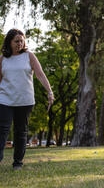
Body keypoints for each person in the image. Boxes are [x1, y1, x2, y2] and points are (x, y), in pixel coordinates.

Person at [0, 29, 54, 170]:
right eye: (16, 41)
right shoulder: (3, 59)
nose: (19, 43)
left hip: (25, 101)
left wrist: (49, 91)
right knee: (2, 130)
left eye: (21, 40)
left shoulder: (29, 56)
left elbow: (40, 75)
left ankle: (17, 162)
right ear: (9, 42)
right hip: (5, 99)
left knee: (21, 131)